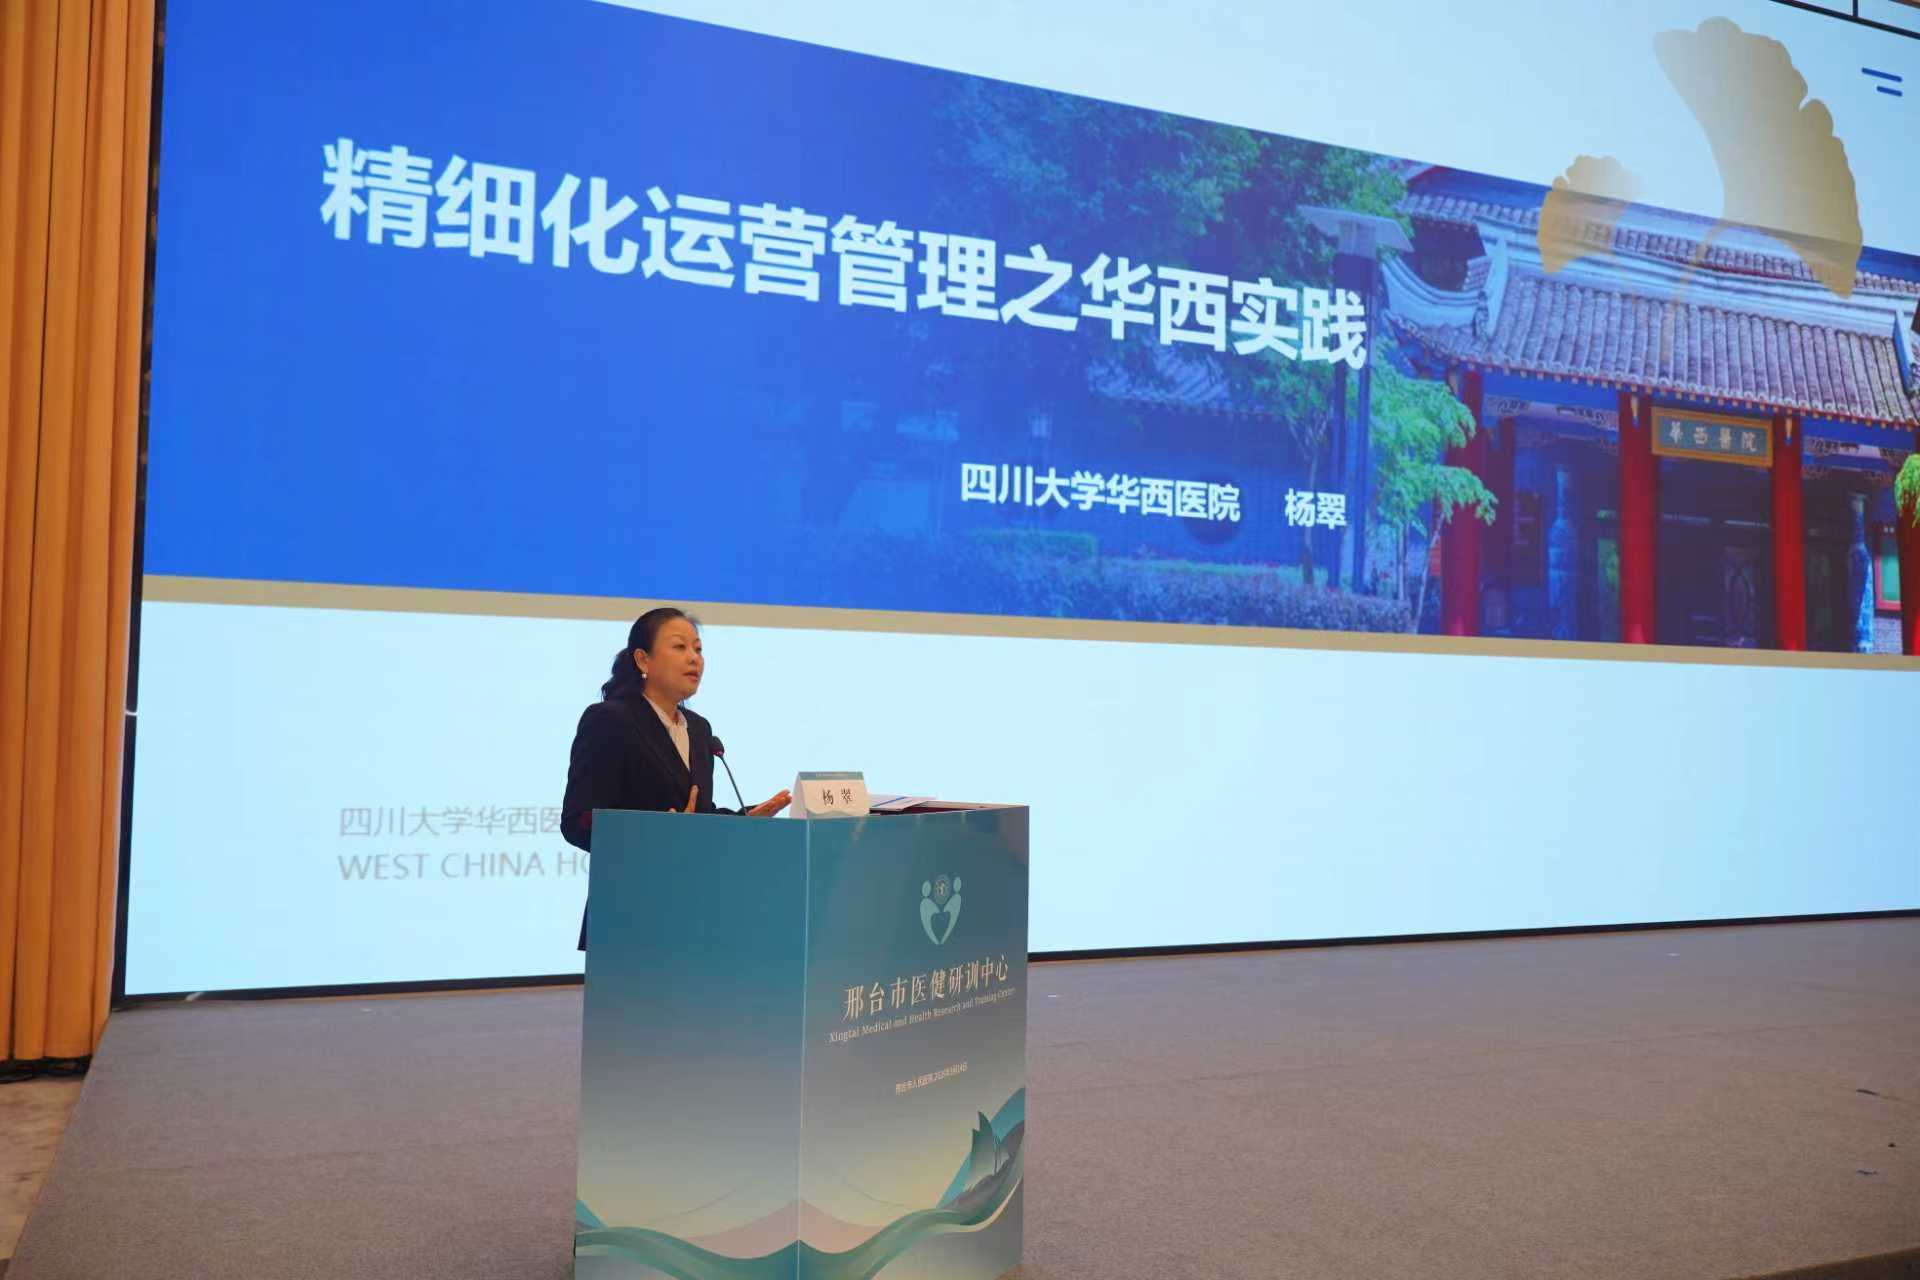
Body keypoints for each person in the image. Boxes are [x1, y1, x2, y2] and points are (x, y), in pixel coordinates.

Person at [562, 608, 790, 949]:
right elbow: (577, 821)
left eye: (698, 649)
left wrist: (744, 821)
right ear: (643, 659)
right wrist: (654, 834)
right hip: (630, 914)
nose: (694, 658)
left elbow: (697, 817)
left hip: (697, 912)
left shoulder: (699, 729)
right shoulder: (610, 720)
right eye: (680, 647)